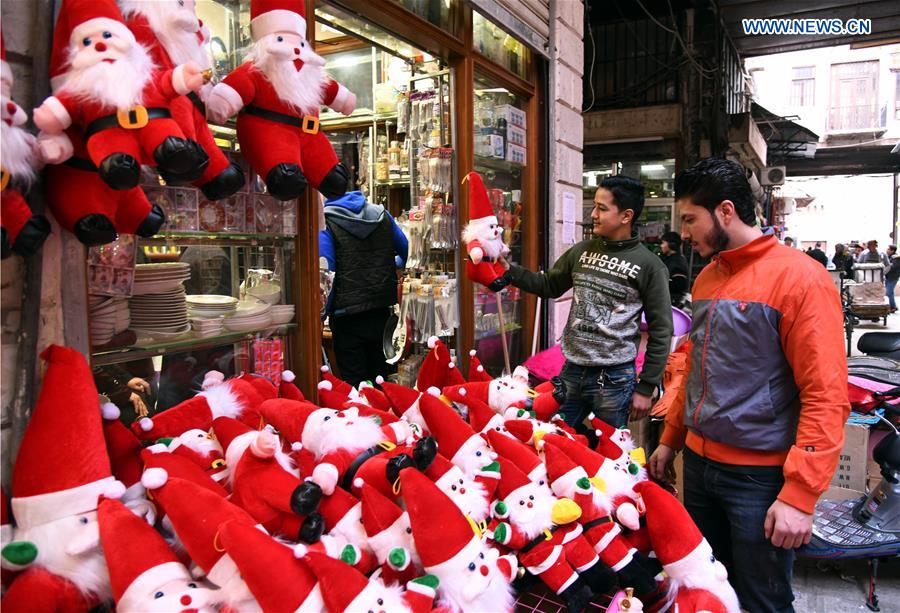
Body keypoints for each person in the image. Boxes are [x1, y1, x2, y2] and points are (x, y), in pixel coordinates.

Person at [647, 158, 849, 613]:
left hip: (759, 480)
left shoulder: (800, 278)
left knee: (762, 600)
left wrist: (800, 495)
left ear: (724, 212)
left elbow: (825, 392)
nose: (683, 232)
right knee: (703, 590)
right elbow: (695, 366)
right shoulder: (707, 277)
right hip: (698, 469)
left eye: (689, 219)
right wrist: (671, 439)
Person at [499, 175, 673, 433]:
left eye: (602, 208)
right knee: (550, 441)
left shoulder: (649, 265)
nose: (593, 214)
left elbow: (661, 330)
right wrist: (509, 272)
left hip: (615, 380)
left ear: (626, 216)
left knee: (609, 455)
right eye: (594, 206)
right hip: (571, 372)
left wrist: (646, 387)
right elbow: (549, 285)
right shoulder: (581, 251)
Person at [319, 191, 408, 387]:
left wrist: (321, 315)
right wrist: (393, 263)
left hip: (347, 317)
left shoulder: (326, 222)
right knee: (381, 380)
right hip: (381, 312)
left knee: (356, 385)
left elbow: (327, 273)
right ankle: (385, 416)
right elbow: (406, 249)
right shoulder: (382, 215)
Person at [659, 231, 689, 307]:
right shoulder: (668, 259)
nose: (661, 246)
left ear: (671, 244)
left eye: (663, 243)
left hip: (674, 303)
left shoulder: (678, 262)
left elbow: (679, 285)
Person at [886, 244, 899, 313]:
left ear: (892, 250)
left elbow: (893, 267)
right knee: (890, 293)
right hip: (888, 277)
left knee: (888, 292)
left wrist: (887, 266)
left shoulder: (896, 258)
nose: (887, 250)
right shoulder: (889, 257)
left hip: (893, 277)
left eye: (888, 249)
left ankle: (893, 307)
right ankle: (893, 307)